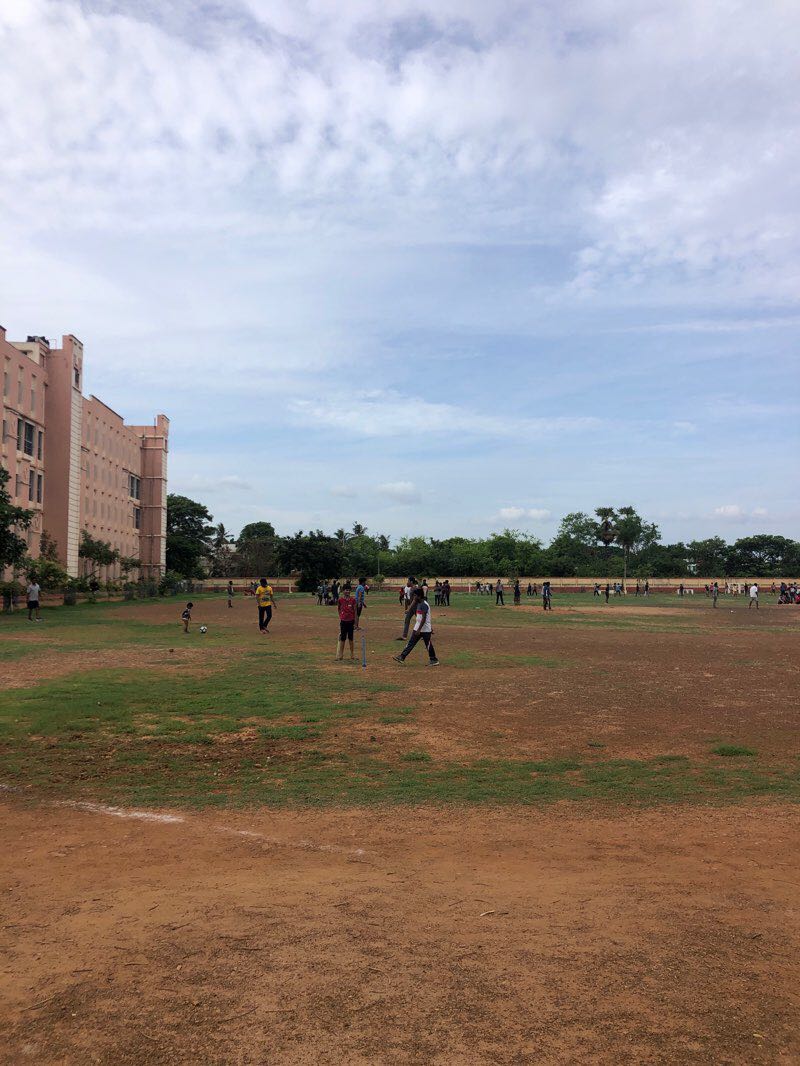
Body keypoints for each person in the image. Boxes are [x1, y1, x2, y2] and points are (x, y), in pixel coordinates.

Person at [393, 587, 439, 666]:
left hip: (424, 629)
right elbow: (414, 602)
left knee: (428, 645)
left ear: (419, 596)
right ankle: (402, 657)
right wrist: (408, 609)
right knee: (411, 643)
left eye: (415, 596)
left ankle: (434, 659)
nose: (414, 597)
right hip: (418, 627)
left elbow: (424, 619)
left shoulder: (424, 605)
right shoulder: (419, 602)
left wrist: (419, 629)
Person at [337, 582, 357, 660]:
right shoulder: (340, 600)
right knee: (343, 638)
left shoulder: (353, 600)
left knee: (351, 638)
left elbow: (355, 611)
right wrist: (341, 616)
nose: (347, 591)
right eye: (346, 590)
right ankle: (341, 654)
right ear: (343, 591)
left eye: (348, 590)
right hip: (343, 621)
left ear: (350, 591)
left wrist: (355, 623)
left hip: (351, 621)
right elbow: (339, 609)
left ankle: (352, 654)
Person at [397, 577, 418, 641]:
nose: (407, 582)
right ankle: (404, 636)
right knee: (407, 620)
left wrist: (408, 608)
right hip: (412, 607)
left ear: (411, 582)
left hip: (417, 607)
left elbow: (414, 600)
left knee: (420, 620)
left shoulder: (415, 588)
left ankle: (428, 631)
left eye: (408, 581)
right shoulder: (411, 588)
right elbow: (410, 599)